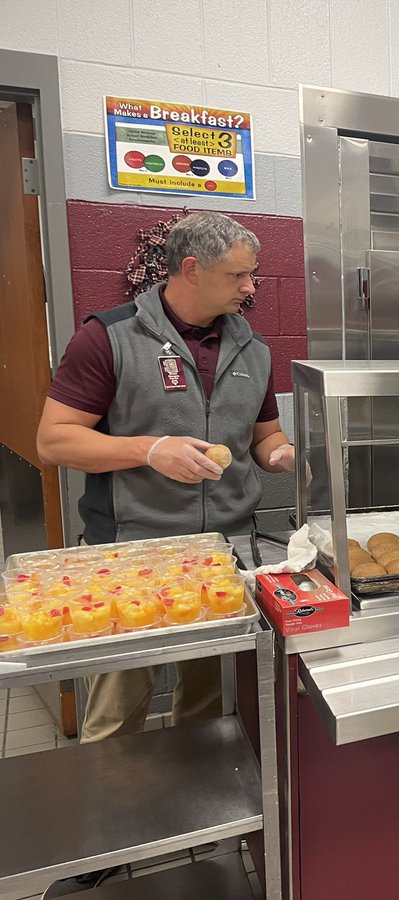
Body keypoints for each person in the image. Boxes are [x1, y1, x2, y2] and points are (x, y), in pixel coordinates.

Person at [35, 210, 295, 894]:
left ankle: (198, 820)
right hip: (133, 557)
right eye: (238, 275)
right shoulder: (109, 337)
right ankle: (99, 846)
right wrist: (146, 449)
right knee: (120, 702)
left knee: (211, 701)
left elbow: (263, 439)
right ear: (190, 270)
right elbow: (54, 440)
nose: (249, 288)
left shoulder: (253, 347)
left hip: (222, 553)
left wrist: (284, 454)